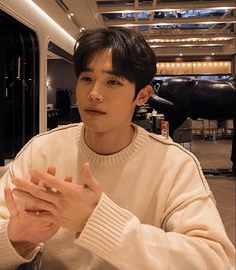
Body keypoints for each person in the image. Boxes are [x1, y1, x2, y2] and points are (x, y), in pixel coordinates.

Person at [0, 28, 235, 270]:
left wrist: (96, 221)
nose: (94, 94)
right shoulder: (43, 150)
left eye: (113, 82)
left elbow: (215, 261)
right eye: (87, 79)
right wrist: (14, 238)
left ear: (142, 95)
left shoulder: (174, 164)